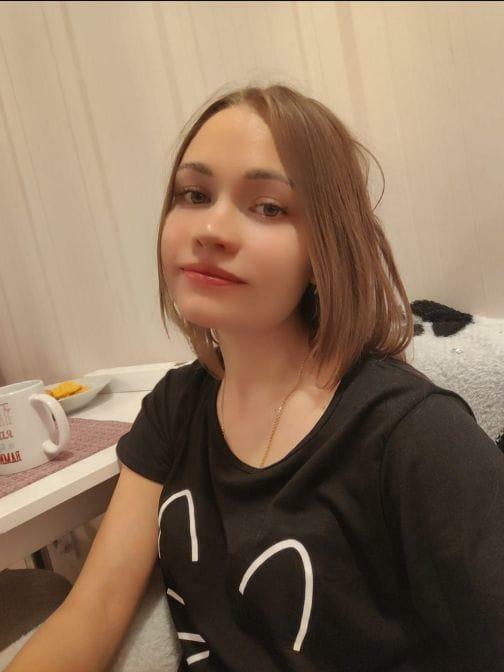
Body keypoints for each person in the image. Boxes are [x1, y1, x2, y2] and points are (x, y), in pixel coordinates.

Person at [7, 83, 504, 672]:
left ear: (325, 247)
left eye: (269, 206)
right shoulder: (173, 409)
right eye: (194, 194)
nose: (211, 229)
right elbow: (93, 610)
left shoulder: (413, 435)